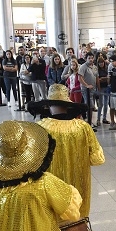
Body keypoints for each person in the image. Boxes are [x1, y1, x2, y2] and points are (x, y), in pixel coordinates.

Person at [35, 84, 105, 218]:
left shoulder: (40, 128)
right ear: (68, 104)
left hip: (52, 191)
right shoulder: (83, 127)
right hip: (78, 188)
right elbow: (98, 159)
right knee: (78, 222)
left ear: (48, 105)